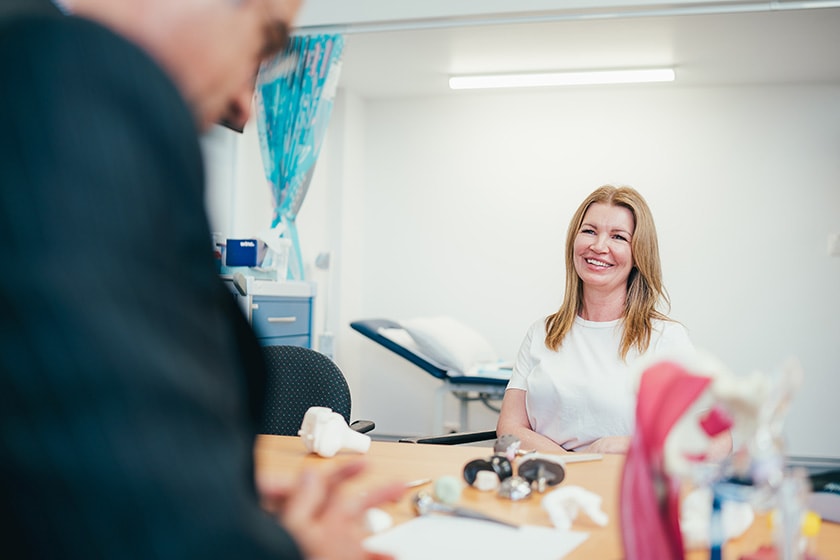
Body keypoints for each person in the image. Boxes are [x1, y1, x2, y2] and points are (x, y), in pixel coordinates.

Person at [0, 1, 404, 558]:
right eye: (265, 42)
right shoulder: (63, 80)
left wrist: (210, 493)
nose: (244, 108)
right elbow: (91, 479)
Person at [497, 185, 732, 456]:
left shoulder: (665, 337)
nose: (598, 246)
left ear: (638, 254)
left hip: (621, 488)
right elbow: (510, 427)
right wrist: (573, 467)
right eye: (589, 231)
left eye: (618, 237)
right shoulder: (542, 332)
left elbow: (718, 442)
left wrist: (624, 446)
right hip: (547, 483)